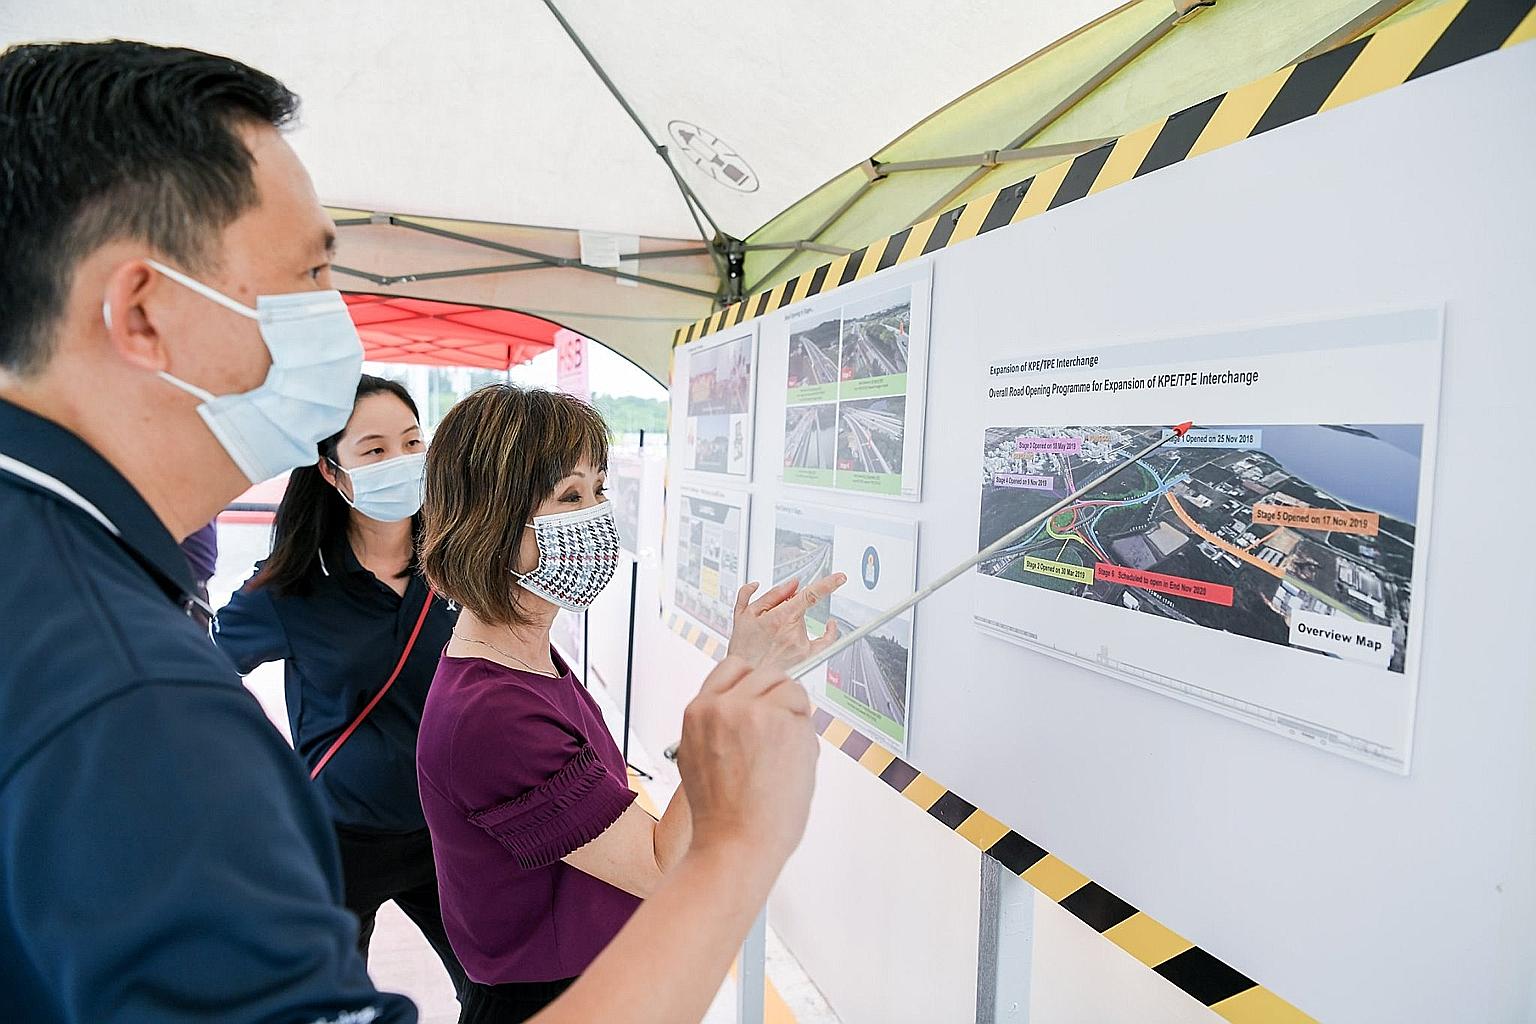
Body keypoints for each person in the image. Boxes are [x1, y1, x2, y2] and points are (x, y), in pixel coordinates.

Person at [0, 38, 825, 1024]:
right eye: (311, 271)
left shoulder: (64, 583)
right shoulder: (137, 703)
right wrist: (737, 847)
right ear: (145, 312)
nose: (339, 323)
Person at [414, 383, 845, 1023]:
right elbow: (662, 862)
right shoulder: (493, 712)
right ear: (491, 521)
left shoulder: (521, 661)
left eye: (599, 490)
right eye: (570, 497)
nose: (598, 517)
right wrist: (743, 678)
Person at [214, 374, 470, 1000]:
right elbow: (202, 672)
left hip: (449, 828)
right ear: (331, 471)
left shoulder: (458, 563)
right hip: (339, 840)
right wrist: (260, 775)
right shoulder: (292, 587)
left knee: (494, 989)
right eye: (374, 450)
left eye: (412, 442)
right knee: (329, 1000)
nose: (400, 461)